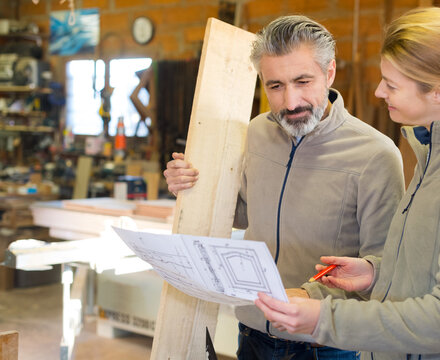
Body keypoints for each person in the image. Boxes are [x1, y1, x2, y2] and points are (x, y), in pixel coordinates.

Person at [254, 7, 440, 360]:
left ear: (439, 91)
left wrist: (323, 318)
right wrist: (377, 274)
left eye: (391, 84)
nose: (377, 92)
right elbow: (432, 268)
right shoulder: (436, 154)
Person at [164, 15, 405, 360]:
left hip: (323, 343)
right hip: (252, 328)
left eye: (303, 81)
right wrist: (191, 185)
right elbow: (244, 213)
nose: (290, 102)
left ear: (330, 72)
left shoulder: (376, 155)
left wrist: (308, 299)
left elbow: (384, 268)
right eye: (275, 86)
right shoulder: (258, 131)